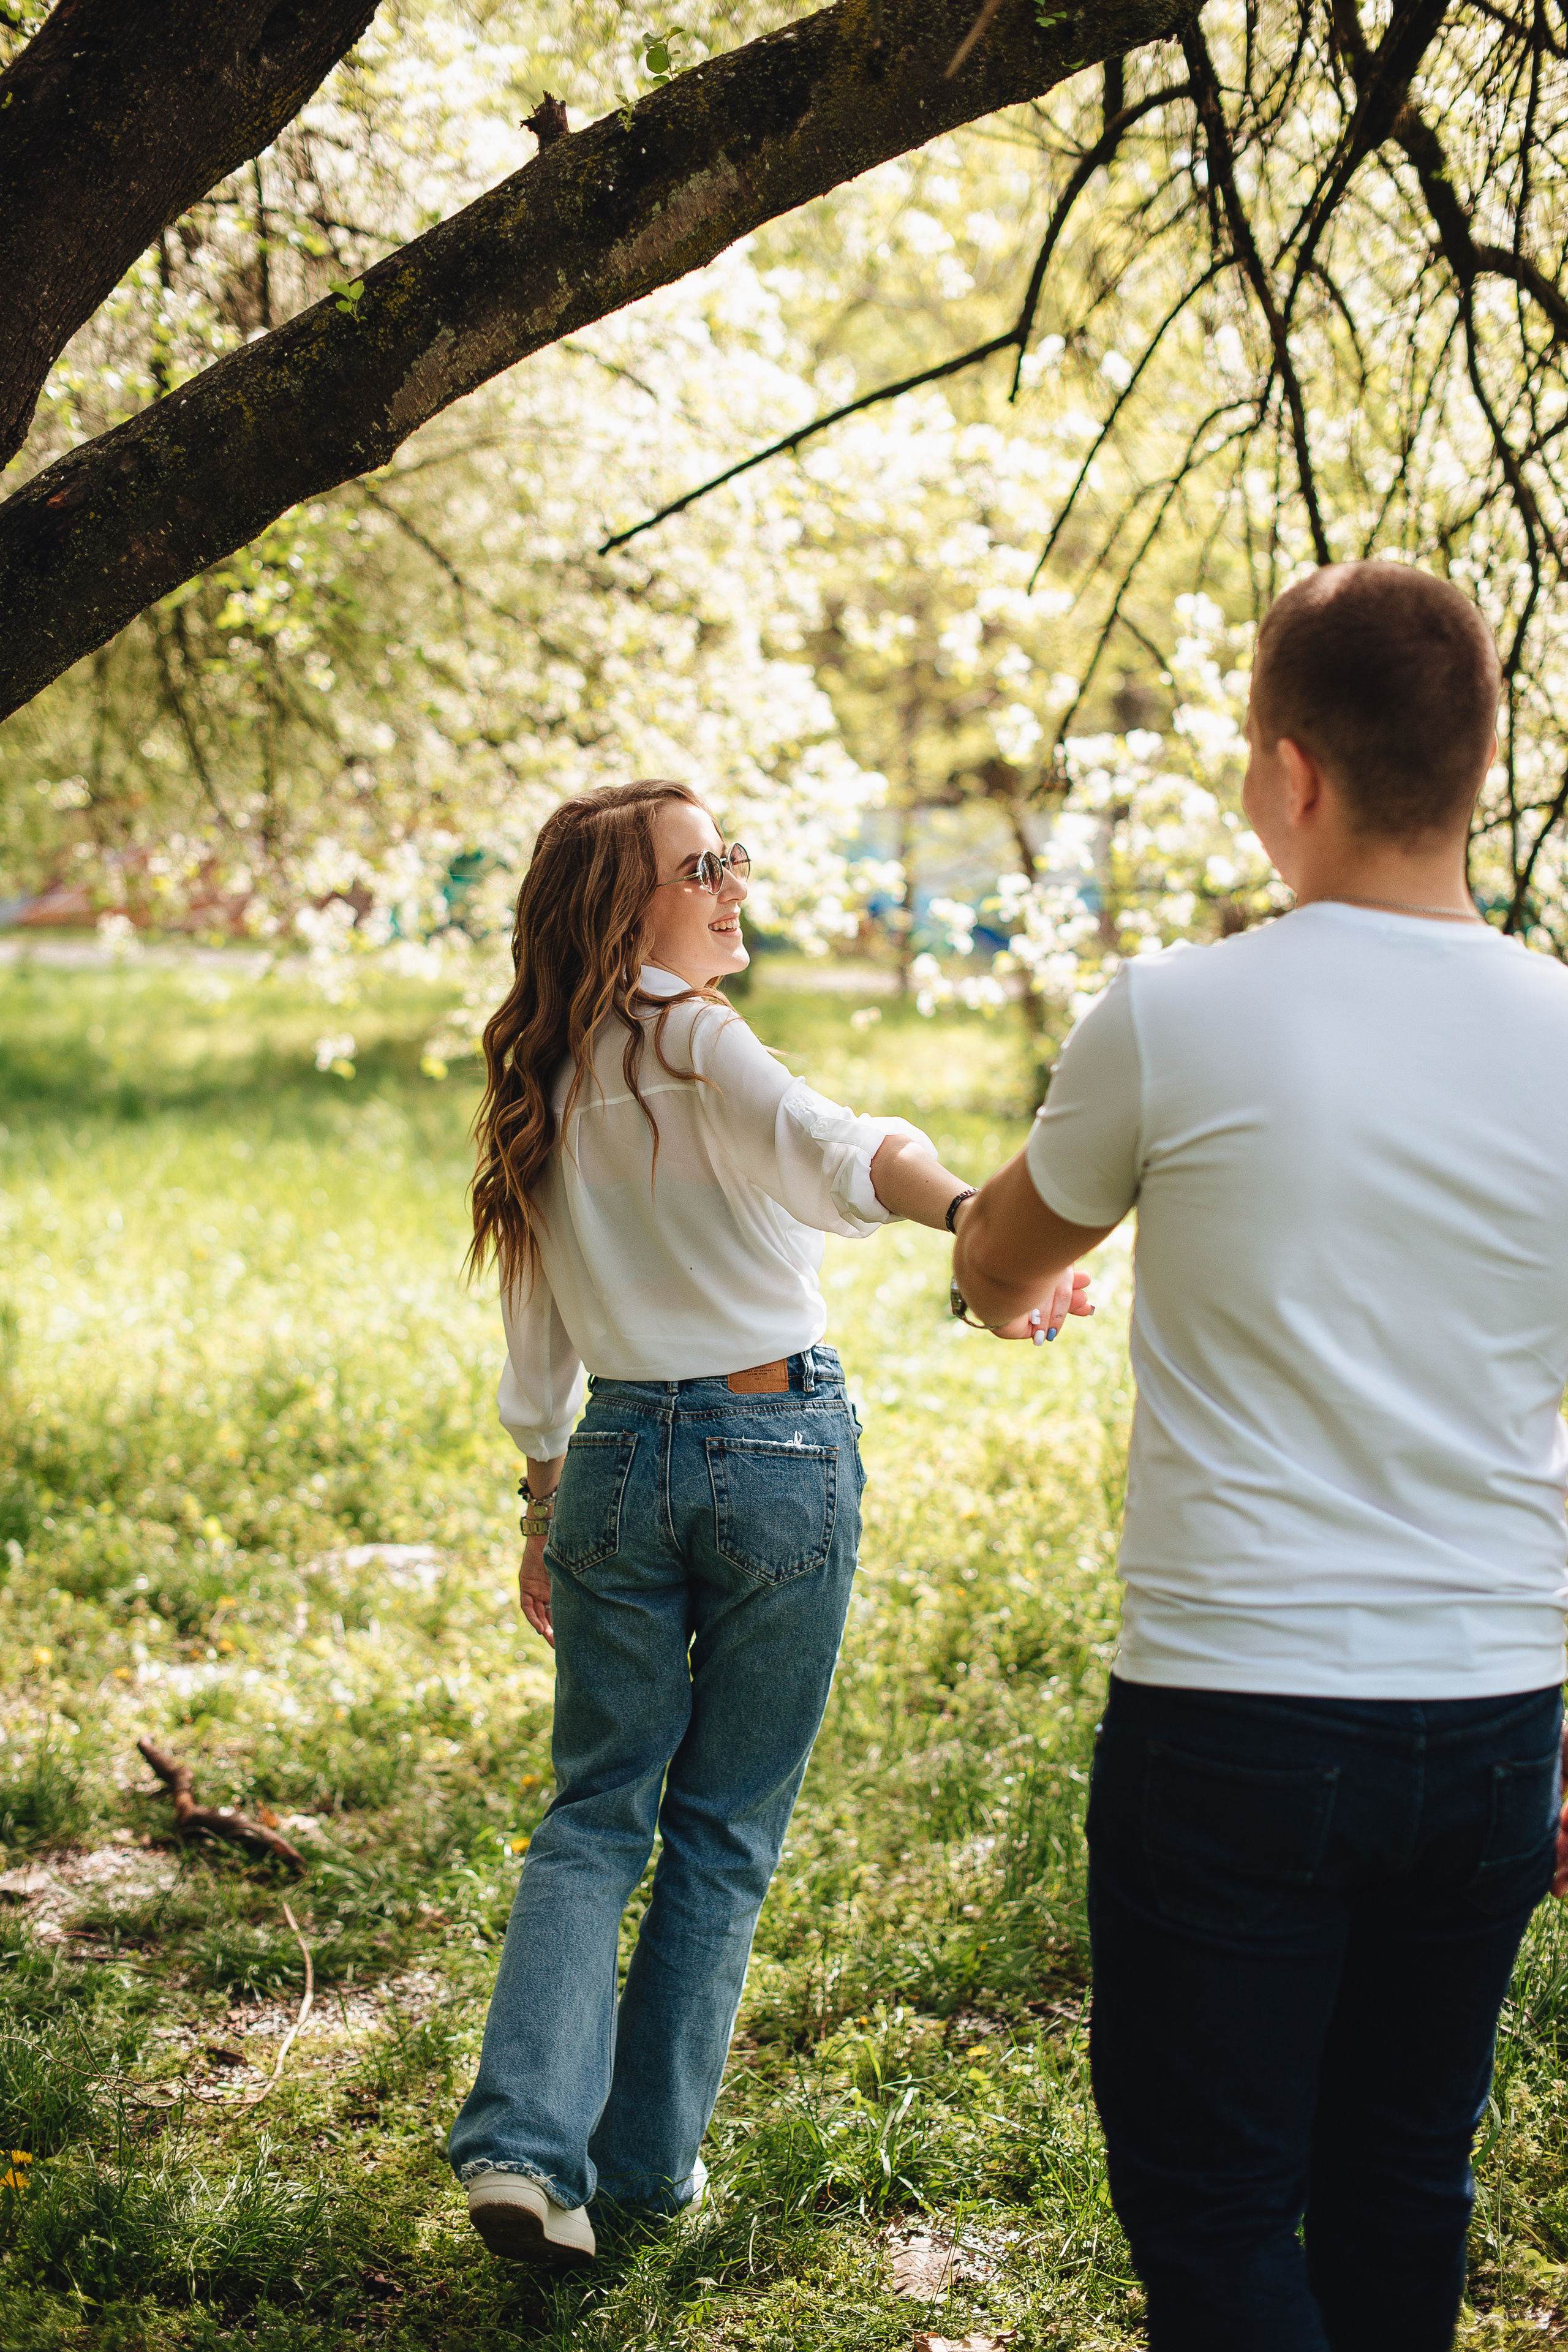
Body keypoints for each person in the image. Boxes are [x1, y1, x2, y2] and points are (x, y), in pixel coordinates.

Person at [949, 561, 1568, 2351]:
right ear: (1479, 760)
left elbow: (1003, 1259)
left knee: (1212, 2204)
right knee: (1403, 2178)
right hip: (1492, 1710)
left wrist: (1003, 1280)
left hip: (1238, 1711)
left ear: (1291, 772)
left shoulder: (1177, 1010)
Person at [448, 777, 1090, 2265]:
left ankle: (524, 2153)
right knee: (722, 1830)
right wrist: (976, 1220)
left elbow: (535, 1325)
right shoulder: (692, 1034)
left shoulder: (541, 1074)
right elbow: (839, 1144)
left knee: (594, 1813)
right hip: (772, 1445)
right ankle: (649, 2171)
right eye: (699, 867)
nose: (732, 885)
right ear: (627, 909)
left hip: (612, 1454)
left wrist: (542, 1497)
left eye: (729, 858)